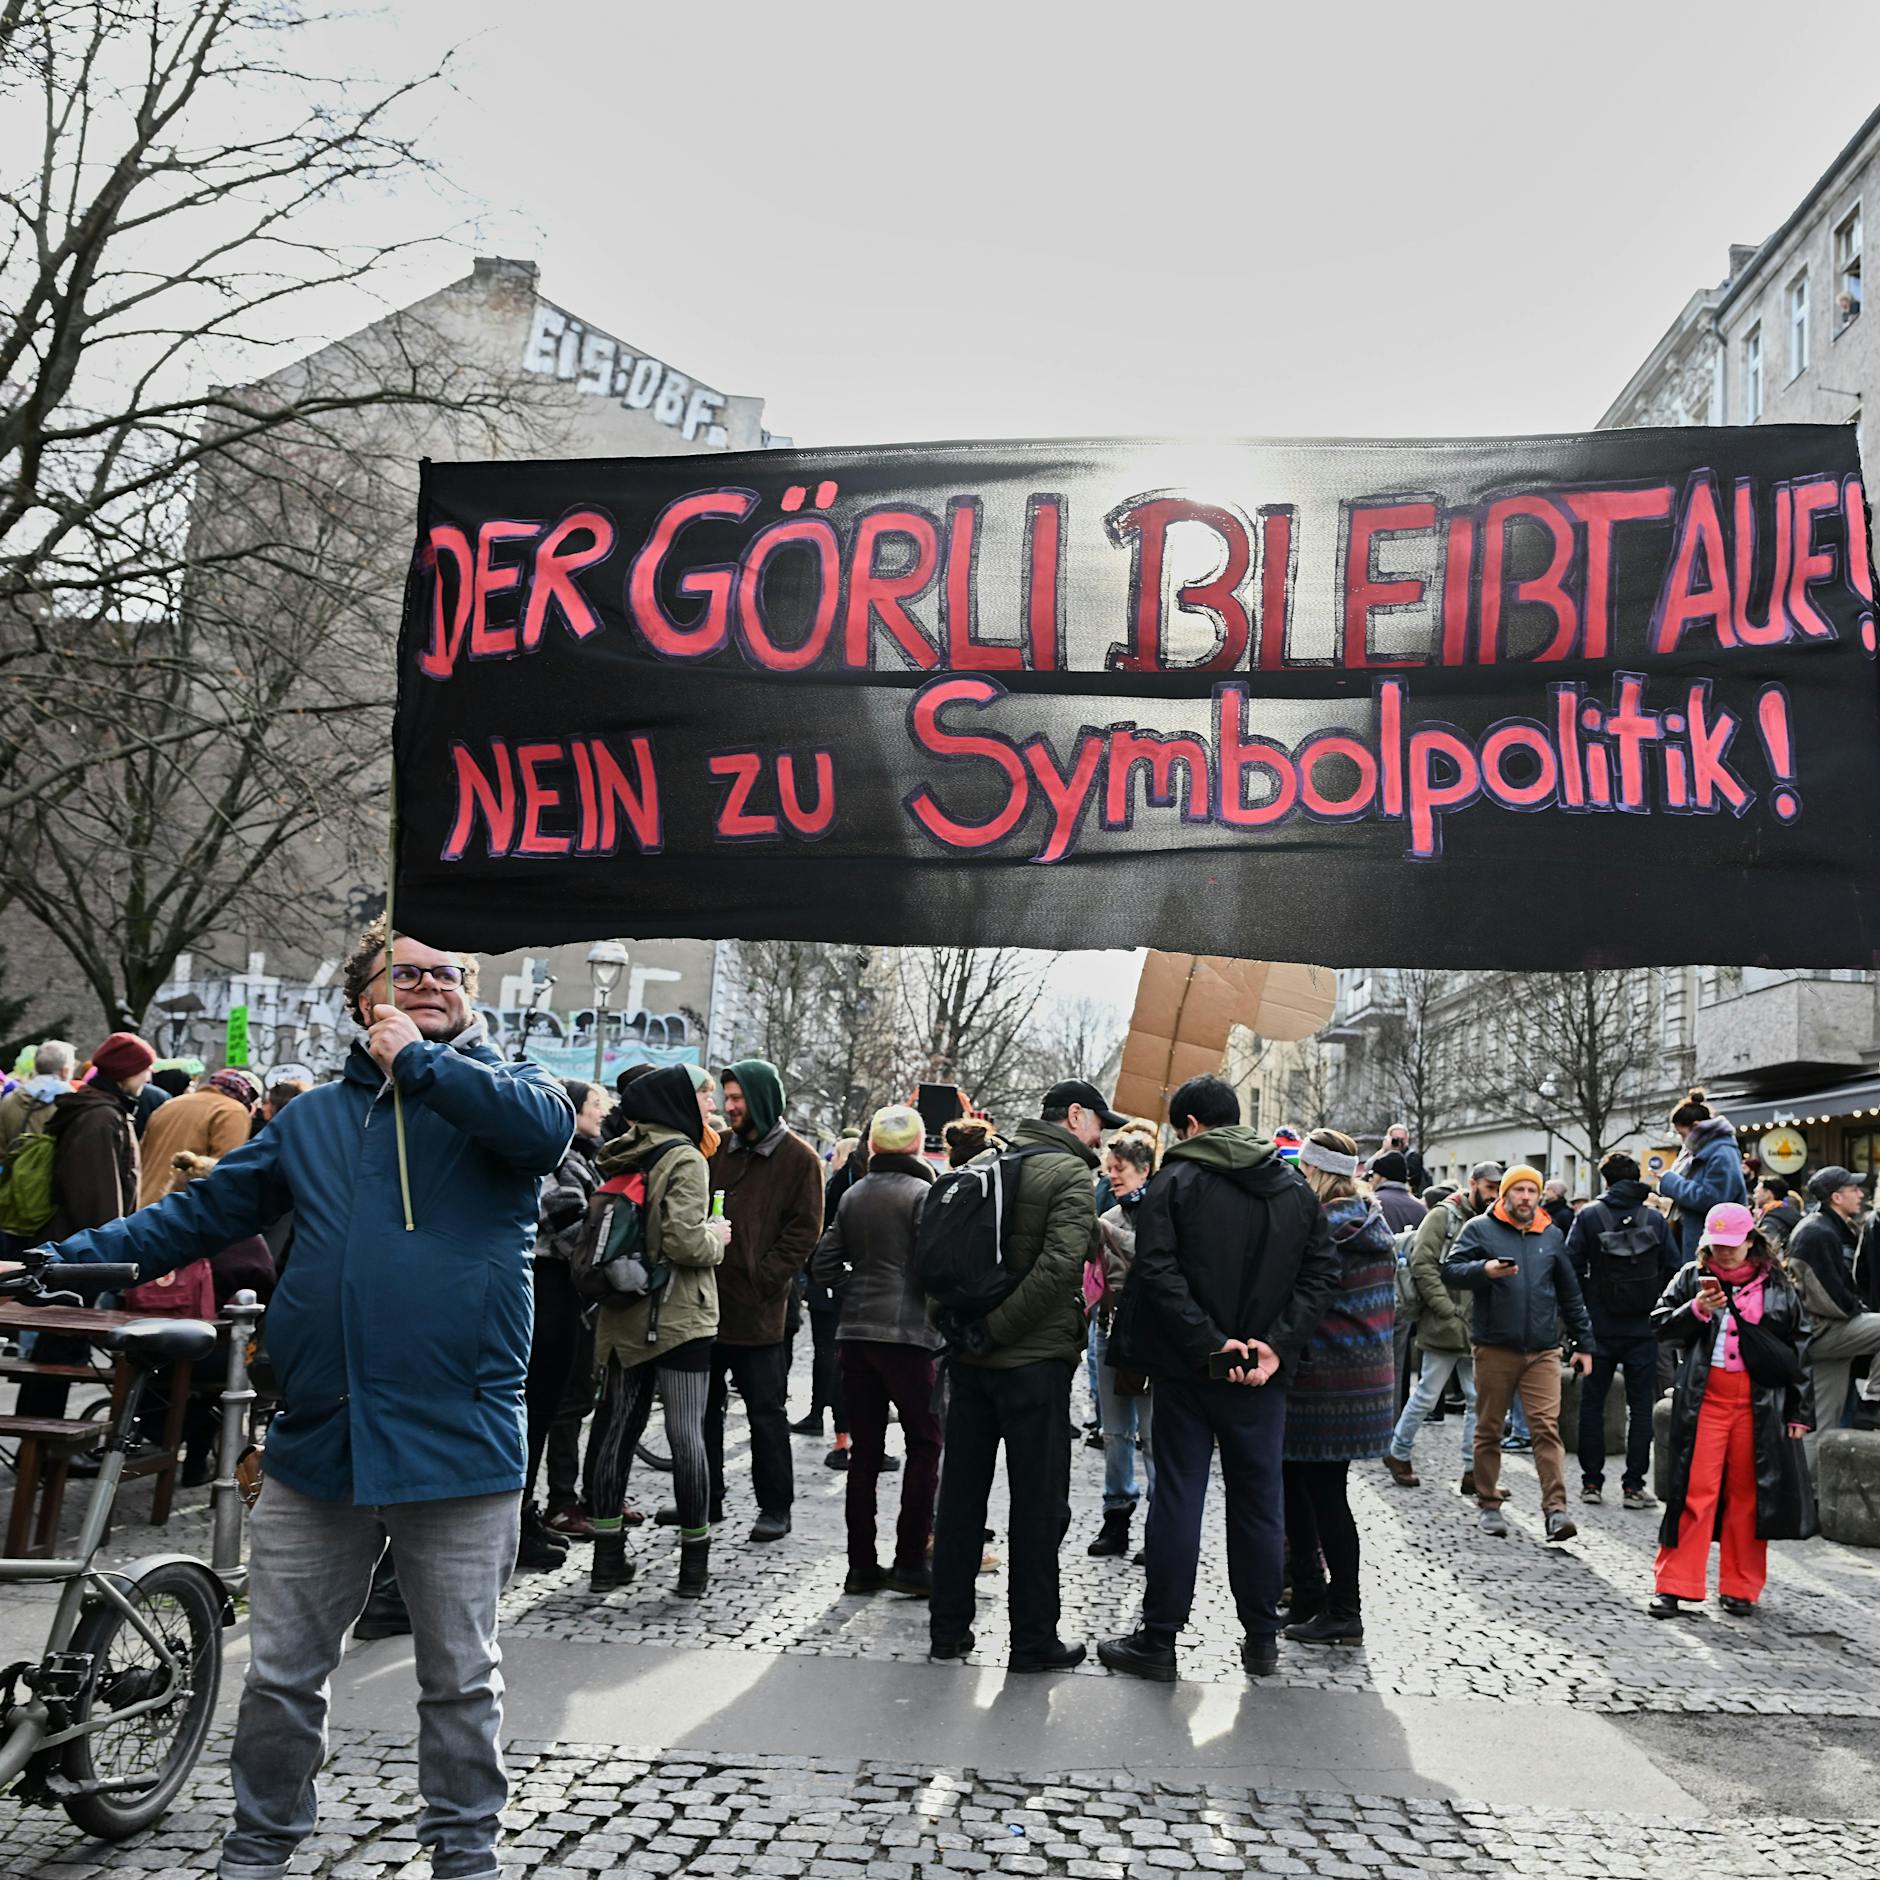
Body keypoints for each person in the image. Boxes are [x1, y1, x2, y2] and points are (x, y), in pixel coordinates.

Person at [39, 919, 574, 1880]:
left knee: (459, 1680)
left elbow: (541, 1135)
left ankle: (466, 1857)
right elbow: (200, 1214)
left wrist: (421, 1065)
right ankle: (259, 1847)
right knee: (283, 1678)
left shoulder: (509, 1090)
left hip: (460, 1442)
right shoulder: (315, 1117)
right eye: (404, 973)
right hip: (320, 1440)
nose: (430, 985)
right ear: (362, 999)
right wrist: (62, 1266)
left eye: (445, 973)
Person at [1097, 1076, 1340, 1683]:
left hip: (1190, 1368)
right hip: (1261, 1375)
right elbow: (1320, 1274)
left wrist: (1209, 1341)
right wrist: (1274, 1346)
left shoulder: (1175, 1181)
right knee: (1259, 1504)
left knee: (1178, 1498)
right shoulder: (1293, 1187)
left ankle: (1159, 1640)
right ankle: (1261, 1639)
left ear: (1190, 1126)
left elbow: (1155, 1270)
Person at [929, 1077, 1122, 1672]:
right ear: (1073, 1116)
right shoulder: (1067, 1175)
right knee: (1039, 1506)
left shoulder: (991, 1158)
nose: (1103, 1137)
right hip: (1030, 1365)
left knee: (960, 1497)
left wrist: (968, 1331)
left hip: (970, 1360)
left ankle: (947, 1629)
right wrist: (1001, 1330)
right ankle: (1034, 1639)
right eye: (1098, 1123)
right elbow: (1060, 1268)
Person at [585, 1065, 730, 1597]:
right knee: (687, 1435)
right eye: (704, 1099)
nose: (710, 1109)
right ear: (679, 1102)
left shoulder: (621, 1151)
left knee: (615, 1435)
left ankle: (606, 1560)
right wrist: (718, 1236)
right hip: (680, 1319)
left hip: (624, 1312)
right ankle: (694, 1567)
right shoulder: (685, 1157)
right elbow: (686, 1244)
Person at [1650, 1203, 1813, 1617]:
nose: (1724, 1253)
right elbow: (1660, 1324)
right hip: (1704, 1398)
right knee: (1693, 1492)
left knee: (1748, 1496)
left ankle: (1740, 1587)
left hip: (1758, 1403)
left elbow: (1799, 1349)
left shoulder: (1777, 1284)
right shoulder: (1691, 1277)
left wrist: (1799, 1411)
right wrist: (1698, 1309)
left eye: (1732, 1246)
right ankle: (1674, 1583)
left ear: (1751, 1242)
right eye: (1717, 1245)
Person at [812, 1103, 942, 1596]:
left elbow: (824, 1265)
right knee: (925, 1443)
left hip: (856, 1337)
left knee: (865, 1452)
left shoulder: (853, 1195)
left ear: (871, 1147)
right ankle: (910, 1561)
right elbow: (934, 1268)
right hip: (908, 1339)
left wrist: (856, 1288)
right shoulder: (924, 1194)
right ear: (918, 1145)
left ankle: (861, 1566)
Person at [1280, 1128, 1396, 1647]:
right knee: (1312, 1488)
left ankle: (1341, 1607)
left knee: (1318, 1492)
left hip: (1323, 1377)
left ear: (1317, 1173)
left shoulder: (1319, 1227)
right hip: (1364, 1378)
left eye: (1304, 1170)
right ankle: (1313, 1597)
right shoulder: (1374, 1223)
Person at [700, 1059, 823, 1543]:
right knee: (702, 1413)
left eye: (737, 1099)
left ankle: (776, 1506)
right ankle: (704, 1498)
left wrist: (763, 1280)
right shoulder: (719, 1150)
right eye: (726, 1099)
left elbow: (803, 1233)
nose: (729, 1108)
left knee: (765, 1415)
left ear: (762, 1100)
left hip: (761, 1315)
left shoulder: (799, 1160)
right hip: (707, 1307)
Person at [1443, 1165, 1596, 1543]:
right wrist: (1485, 1269)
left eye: (1532, 1190)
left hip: (1543, 1350)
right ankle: (1489, 1502)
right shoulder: (1480, 1228)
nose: (1526, 1197)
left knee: (1546, 1429)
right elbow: (1450, 1270)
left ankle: (1556, 1511)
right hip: (1495, 1346)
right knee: (1490, 1427)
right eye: (1519, 1190)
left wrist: (1585, 1345)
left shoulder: (1551, 1233)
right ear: (1505, 1194)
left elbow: (1570, 1294)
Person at [517, 1077, 606, 1571]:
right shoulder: (557, 1155)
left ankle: (521, 1515)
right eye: (593, 1105)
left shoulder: (574, 1154)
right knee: (534, 1410)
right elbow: (569, 1225)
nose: (600, 1113)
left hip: (557, 1289)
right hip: (548, 1284)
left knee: (543, 1410)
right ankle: (517, 1518)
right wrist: (606, 1259)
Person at [1566, 1153, 1682, 1509]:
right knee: (1642, 1406)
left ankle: (1591, 1482)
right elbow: (1674, 1268)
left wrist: (1585, 1309)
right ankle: (1633, 1486)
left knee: (1592, 1404)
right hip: (1642, 1329)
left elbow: (1569, 1266)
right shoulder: (1654, 1218)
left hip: (1598, 1328)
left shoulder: (1589, 1216)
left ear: (1605, 1182)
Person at [1384, 1161, 1500, 1494]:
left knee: (1476, 1399)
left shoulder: (1488, 1220)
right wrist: (1445, 1309)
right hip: (1445, 1323)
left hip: (1475, 1324)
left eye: (1497, 1189)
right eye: (1490, 1188)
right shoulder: (1442, 1215)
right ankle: (1398, 1452)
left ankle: (1471, 1470)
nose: (1494, 1195)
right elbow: (1422, 1264)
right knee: (1427, 1393)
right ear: (1473, 1184)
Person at [1086, 1130, 1155, 1558]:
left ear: (1144, 1170)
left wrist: (1104, 1232)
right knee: (1115, 1434)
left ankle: (1159, 1524)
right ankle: (1116, 1517)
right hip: (1109, 1330)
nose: (1112, 1176)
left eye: (1120, 1169)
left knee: (1153, 1435)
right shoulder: (1108, 1214)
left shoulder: (1163, 1215)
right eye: (1108, 1170)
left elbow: (1150, 1257)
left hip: (1150, 1338)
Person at [1785, 1166, 1880, 1454]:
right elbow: (1831, 1298)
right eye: (1854, 1189)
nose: (1861, 1194)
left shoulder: (1823, 1227)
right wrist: (1858, 1310)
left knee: (1823, 1423)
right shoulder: (1817, 1232)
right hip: (1823, 1330)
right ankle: (1874, 1398)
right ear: (1836, 1197)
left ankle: (1810, 1494)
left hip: (1818, 1332)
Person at [794, 1132, 861, 1465]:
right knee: (837, 1357)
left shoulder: (841, 1185)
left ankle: (829, 1424)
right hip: (841, 1288)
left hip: (831, 1285)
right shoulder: (850, 1187)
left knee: (830, 1353)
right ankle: (841, 1434)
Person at [135, 1065, 261, 1206]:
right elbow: (225, 1171)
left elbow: (140, 1157)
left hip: (143, 1205)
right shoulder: (233, 1111)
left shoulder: (169, 1104)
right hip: (180, 1209)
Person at [1655, 1087, 1747, 1264]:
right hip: (1703, 1237)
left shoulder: (1721, 1153)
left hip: (1715, 1242)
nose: (1682, 1140)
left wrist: (1670, 1182)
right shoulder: (1702, 1149)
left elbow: (1712, 1198)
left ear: (1696, 1126)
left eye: (1682, 1134)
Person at [1367, 1150, 1427, 1235]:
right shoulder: (1421, 1209)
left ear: (1383, 1177)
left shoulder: (1372, 1202)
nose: (1370, 1179)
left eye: (1372, 1174)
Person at [1752, 1174, 1802, 1251]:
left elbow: (1769, 1249)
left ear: (1768, 1194)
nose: (1755, 1196)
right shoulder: (1787, 1212)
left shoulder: (1771, 1220)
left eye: (1757, 1192)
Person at [1382, 1122, 1429, 1194]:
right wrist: (1383, 1150)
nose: (1399, 1143)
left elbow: (1411, 1178)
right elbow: (1368, 1166)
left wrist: (1395, 1152)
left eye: (1402, 1139)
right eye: (1395, 1139)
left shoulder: (1413, 1157)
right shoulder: (1383, 1155)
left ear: (1407, 1139)